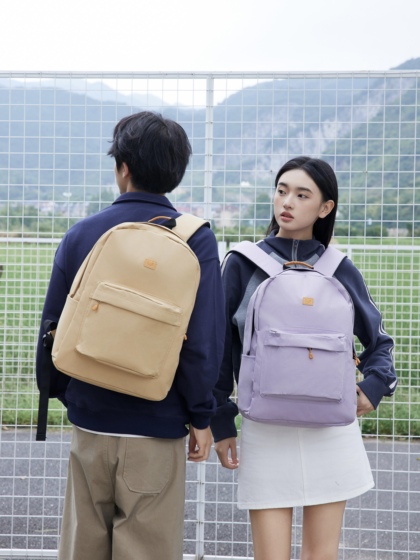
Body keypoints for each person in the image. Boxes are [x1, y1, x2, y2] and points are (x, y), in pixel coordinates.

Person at [36, 111, 225, 560]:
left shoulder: (83, 233)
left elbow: (53, 326)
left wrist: (67, 393)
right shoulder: (195, 240)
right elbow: (203, 342)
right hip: (158, 427)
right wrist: (201, 416)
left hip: (90, 420)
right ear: (176, 172)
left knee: (83, 548)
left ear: (122, 167)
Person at [211, 156, 397, 560]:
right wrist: (220, 420)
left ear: (325, 207)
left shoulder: (339, 268)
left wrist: (374, 386)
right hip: (265, 428)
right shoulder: (242, 263)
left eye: (301, 194)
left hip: (331, 430)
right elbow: (219, 349)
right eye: (281, 191)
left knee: (321, 555)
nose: (287, 202)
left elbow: (380, 342)